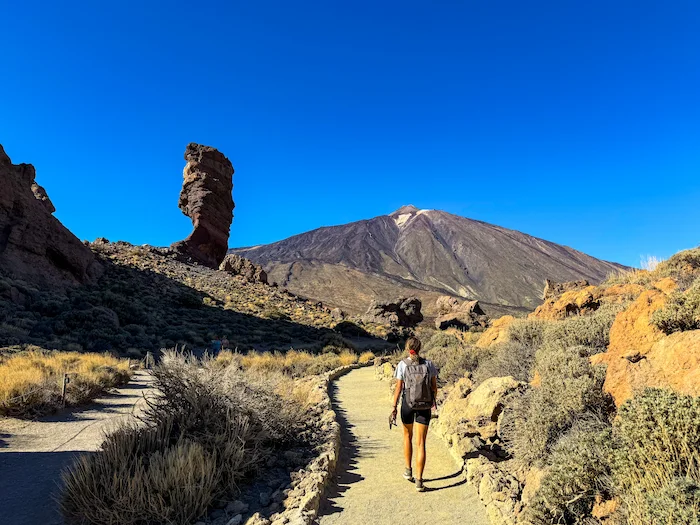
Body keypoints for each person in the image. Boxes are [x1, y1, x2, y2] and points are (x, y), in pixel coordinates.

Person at [390, 336, 438, 492]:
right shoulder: (429, 365)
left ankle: (408, 470)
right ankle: (419, 481)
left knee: (407, 437)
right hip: (424, 406)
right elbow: (434, 387)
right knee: (421, 443)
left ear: (407, 348)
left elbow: (398, 388)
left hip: (407, 405)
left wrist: (394, 406)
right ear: (420, 348)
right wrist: (432, 401)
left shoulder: (402, 365)